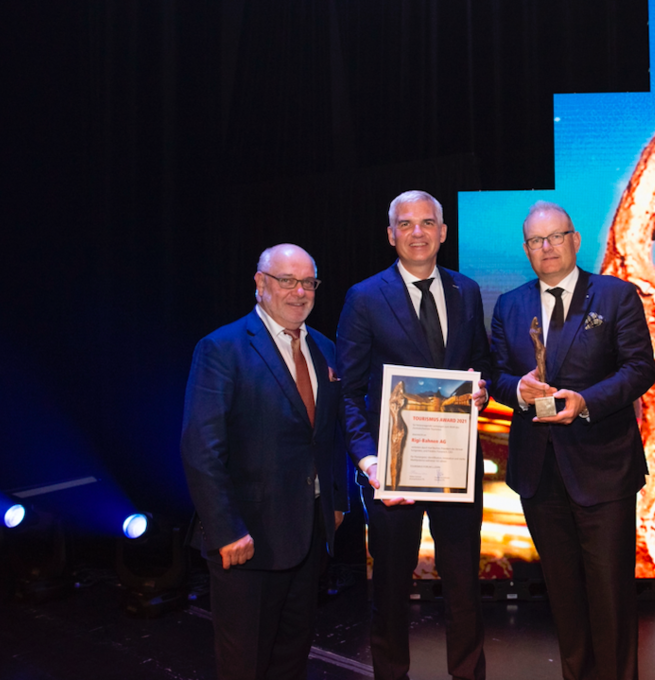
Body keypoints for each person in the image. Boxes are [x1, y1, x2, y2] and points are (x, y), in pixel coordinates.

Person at [489, 201, 655, 680]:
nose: (547, 248)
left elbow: (639, 368)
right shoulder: (509, 304)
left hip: (603, 471)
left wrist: (585, 401)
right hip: (539, 475)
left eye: (556, 237)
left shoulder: (616, 295)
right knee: (562, 596)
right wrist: (516, 390)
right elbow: (497, 374)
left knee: (611, 595)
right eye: (536, 241)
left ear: (575, 240)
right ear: (525, 250)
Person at [337, 190, 490, 680]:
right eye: (406, 224)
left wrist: (481, 391)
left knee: (465, 590)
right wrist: (369, 461)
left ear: (444, 232)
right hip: (393, 473)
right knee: (389, 592)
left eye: (428, 223)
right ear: (390, 235)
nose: (418, 232)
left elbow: (479, 366)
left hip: (455, 465)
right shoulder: (363, 297)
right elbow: (347, 390)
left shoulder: (466, 291)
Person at [180, 244, 347, 680]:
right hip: (246, 540)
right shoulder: (222, 347)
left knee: (292, 657)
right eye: (286, 281)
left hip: (309, 535)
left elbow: (329, 436)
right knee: (246, 665)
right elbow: (202, 448)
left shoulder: (326, 349)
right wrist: (226, 530)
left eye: (308, 282)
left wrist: (338, 501)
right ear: (260, 283)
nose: (299, 292)